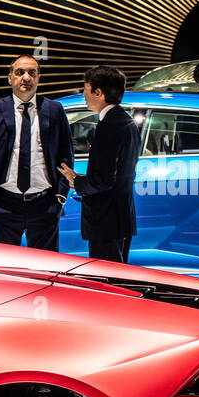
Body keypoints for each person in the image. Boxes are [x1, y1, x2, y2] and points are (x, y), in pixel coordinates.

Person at [0, 54, 73, 252]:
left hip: (44, 205)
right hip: (3, 205)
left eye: (31, 73)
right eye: (20, 72)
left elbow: (66, 156)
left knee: (46, 269)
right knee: (7, 273)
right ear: (10, 78)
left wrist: (60, 198)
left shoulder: (54, 109)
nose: (26, 77)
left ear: (38, 78)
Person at [57, 65, 139, 264]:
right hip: (120, 218)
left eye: (85, 88)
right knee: (118, 276)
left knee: (107, 280)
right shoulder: (126, 122)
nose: (83, 94)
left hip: (106, 220)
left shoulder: (108, 126)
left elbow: (103, 181)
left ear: (98, 92)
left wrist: (76, 181)